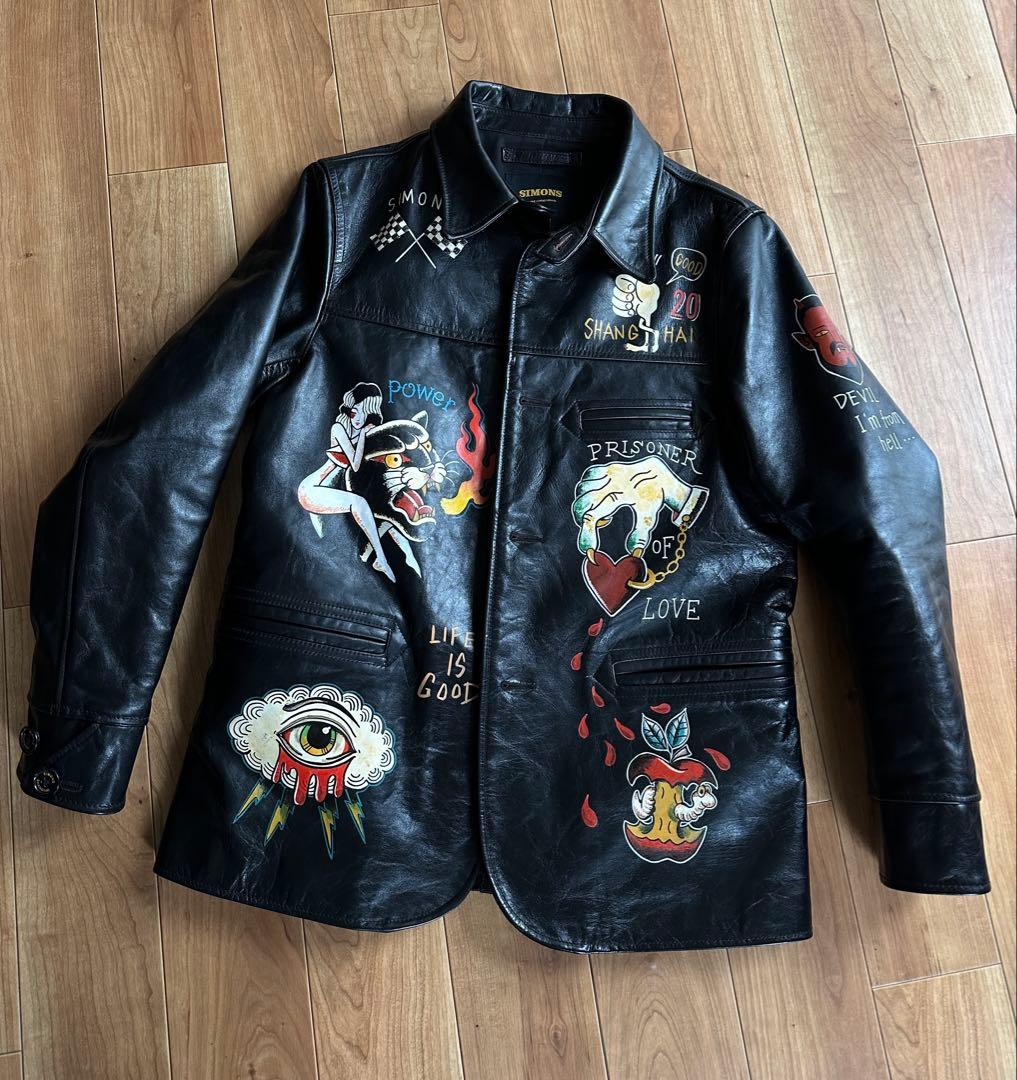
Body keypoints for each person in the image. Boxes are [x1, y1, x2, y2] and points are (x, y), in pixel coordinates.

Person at [297, 382, 396, 582]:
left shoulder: (358, 433)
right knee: (359, 503)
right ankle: (381, 559)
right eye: (355, 412)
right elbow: (355, 464)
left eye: (364, 413)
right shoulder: (339, 428)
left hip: (329, 492)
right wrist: (363, 435)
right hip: (313, 489)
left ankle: (381, 558)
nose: (358, 418)